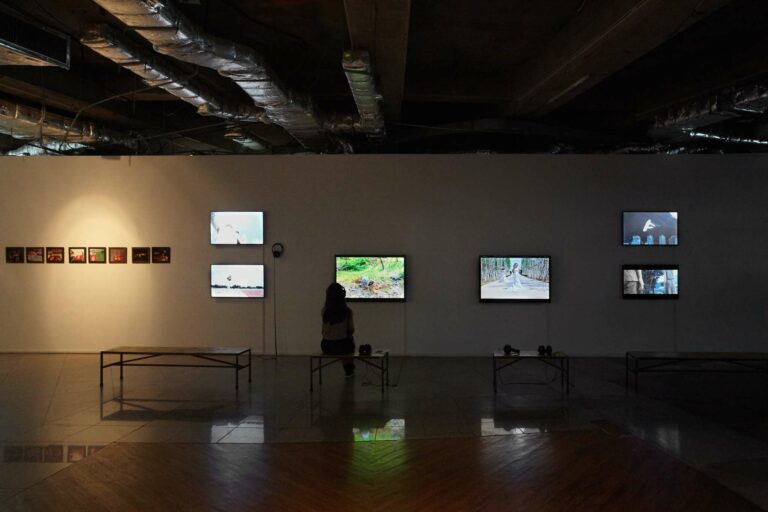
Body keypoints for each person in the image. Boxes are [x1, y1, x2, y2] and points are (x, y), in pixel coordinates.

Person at [321, 282, 356, 377]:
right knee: (347, 343)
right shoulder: (347, 311)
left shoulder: (324, 311)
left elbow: (323, 331)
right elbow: (351, 330)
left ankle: (349, 367)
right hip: (343, 346)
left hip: (327, 346)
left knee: (341, 345)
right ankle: (349, 368)